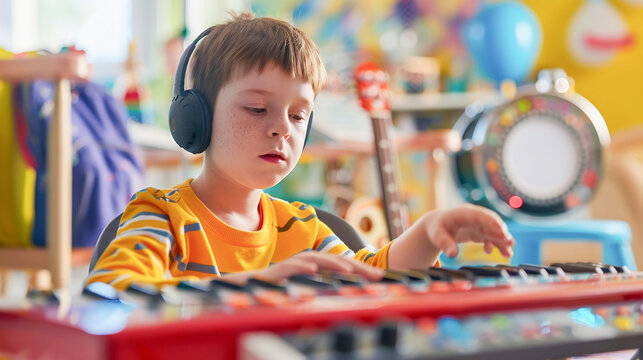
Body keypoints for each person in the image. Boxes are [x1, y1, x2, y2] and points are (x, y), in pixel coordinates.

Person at [85, 12, 514, 291]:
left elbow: (374, 277)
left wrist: (428, 231)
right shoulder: (160, 216)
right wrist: (253, 284)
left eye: (298, 116)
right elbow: (111, 290)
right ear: (195, 118)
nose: (280, 129)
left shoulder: (302, 228)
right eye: (257, 108)